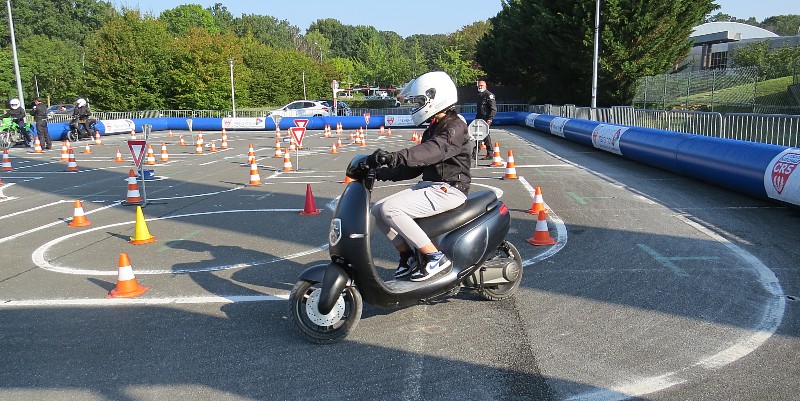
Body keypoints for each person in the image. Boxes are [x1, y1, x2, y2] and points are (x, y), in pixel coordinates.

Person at [368, 71, 472, 282]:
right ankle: (408, 257)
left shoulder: (454, 126)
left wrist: (394, 157)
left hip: (451, 188)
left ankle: (435, 257)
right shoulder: (434, 127)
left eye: (421, 100)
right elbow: (418, 164)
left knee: (391, 209)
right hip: (431, 186)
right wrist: (381, 172)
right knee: (378, 210)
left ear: (435, 96)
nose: (417, 105)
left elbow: (433, 151)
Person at [476, 80, 497, 159]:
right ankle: (477, 151)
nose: (480, 87)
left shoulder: (489, 95)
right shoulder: (480, 95)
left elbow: (493, 108)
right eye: (479, 86)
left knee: (484, 135)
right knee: (479, 134)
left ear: (485, 86)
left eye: (481, 86)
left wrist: (490, 118)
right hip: (479, 117)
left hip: (485, 118)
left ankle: (489, 153)